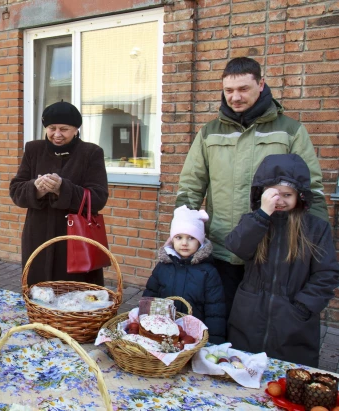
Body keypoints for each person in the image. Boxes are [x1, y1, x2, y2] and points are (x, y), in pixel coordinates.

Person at [175, 57, 328, 318]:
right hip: (224, 245)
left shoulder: (290, 130)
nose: (235, 97)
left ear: (261, 84)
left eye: (243, 89)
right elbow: (190, 186)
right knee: (220, 318)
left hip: (273, 247)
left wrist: (314, 246)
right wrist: (182, 230)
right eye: (228, 90)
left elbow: (311, 188)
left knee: (261, 323)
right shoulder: (209, 133)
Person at [225, 154, 339, 366]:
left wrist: (303, 307)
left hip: (292, 322)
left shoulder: (315, 228)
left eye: (287, 194)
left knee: (287, 381)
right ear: (262, 194)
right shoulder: (254, 222)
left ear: (300, 196)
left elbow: (327, 274)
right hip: (249, 317)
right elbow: (237, 247)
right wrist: (262, 215)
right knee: (242, 375)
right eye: (273, 194)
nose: (280, 200)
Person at [9, 101, 108, 286]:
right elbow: (16, 191)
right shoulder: (33, 150)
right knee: (38, 294)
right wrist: (36, 189)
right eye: (51, 128)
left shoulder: (91, 153)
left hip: (76, 239)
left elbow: (98, 198)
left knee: (76, 297)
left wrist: (62, 188)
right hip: (38, 235)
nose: (57, 134)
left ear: (76, 129)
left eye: (64, 129)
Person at [143, 205, 226, 343]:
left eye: (191, 238)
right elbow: (150, 295)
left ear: (199, 241)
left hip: (194, 336)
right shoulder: (163, 266)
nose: (184, 243)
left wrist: (213, 342)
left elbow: (215, 311)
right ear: (172, 239)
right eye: (179, 237)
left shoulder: (208, 272)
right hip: (163, 332)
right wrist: (143, 322)